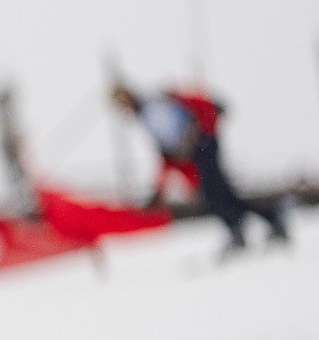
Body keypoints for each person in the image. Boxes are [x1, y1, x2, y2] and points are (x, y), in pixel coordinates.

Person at [113, 83, 288, 253]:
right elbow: (168, 152)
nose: (123, 108)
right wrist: (160, 189)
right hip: (198, 150)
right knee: (217, 194)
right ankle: (254, 224)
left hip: (203, 143)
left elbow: (175, 135)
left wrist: (208, 114)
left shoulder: (153, 105)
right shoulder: (146, 115)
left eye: (122, 102)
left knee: (218, 193)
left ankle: (260, 221)